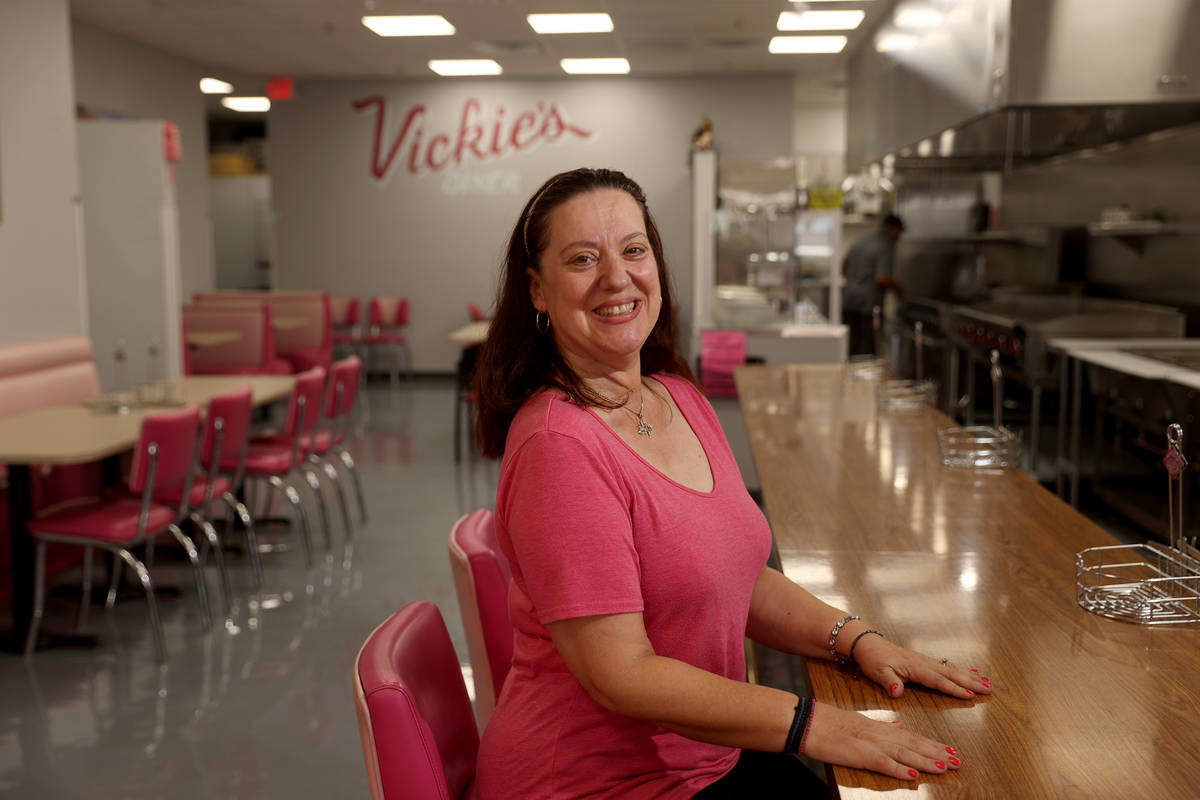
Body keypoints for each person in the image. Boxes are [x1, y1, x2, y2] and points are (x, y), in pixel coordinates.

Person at [472, 169, 989, 799]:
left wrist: (856, 639)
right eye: (583, 259)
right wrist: (808, 722)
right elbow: (620, 675)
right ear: (537, 291)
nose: (617, 276)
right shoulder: (560, 446)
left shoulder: (678, 397)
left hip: (704, 758)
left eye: (634, 251)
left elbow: (731, 576)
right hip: (595, 783)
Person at [842, 214, 904, 356]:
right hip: (868, 307)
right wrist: (898, 288)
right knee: (867, 350)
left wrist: (856, 282)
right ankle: (862, 377)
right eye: (899, 233)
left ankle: (849, 376)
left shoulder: (861, 241)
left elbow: (843, 269)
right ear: (893, 230)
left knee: (851, 347)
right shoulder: (886, 246)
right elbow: (881, 278)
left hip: (849, 301)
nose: (899, 238)